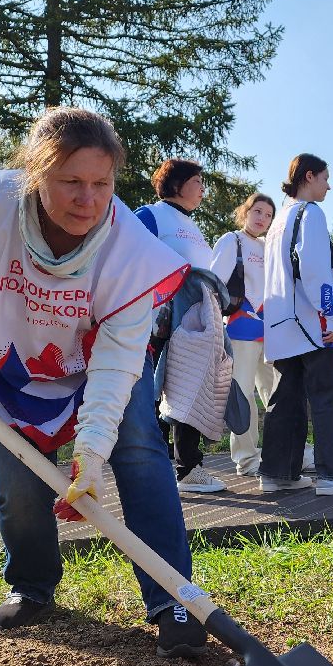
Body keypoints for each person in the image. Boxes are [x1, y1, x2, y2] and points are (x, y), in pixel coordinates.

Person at [0, 106, 207, 657]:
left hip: (99, 357)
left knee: (139, 447)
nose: (87, 200)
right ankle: (32, 585)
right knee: (17, 471)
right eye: (69, 181)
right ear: (35, 174)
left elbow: (118, 364)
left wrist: (91, 453)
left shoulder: (131, 255)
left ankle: (175, 599)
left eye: (101, 183)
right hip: (15, 353)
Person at [261, 154, 333, 496]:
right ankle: (331, 477)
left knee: (284, 400)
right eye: (326, 178)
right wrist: (330, 317)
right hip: (311, 323)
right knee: (325, 398)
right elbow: (316, 270)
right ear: (310, 176)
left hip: (281, 326)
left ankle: (277, 474)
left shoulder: (278, 221)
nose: (329, 186)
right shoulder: (310, 213)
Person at [135, 159, 228, 495]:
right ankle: (155, 467)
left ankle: (189, 469)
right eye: (198, 181)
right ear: (177, 184)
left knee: (187, 393)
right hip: (157, 324)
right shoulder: (149, 215)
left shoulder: (193, 226)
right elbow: (126, 262)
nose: (203, 188)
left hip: (196, 326)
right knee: (156, 394)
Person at [210, 192, 278, 477]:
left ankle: (285, 451)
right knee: (243, 394)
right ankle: (247, 458)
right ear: (245, 211)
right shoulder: (231, 240)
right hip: (241, 328)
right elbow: (214, 283)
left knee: (276, 394)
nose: (262, 218)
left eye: (269, 215)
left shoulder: (269, 246)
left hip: (272, 331)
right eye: (258, 211)